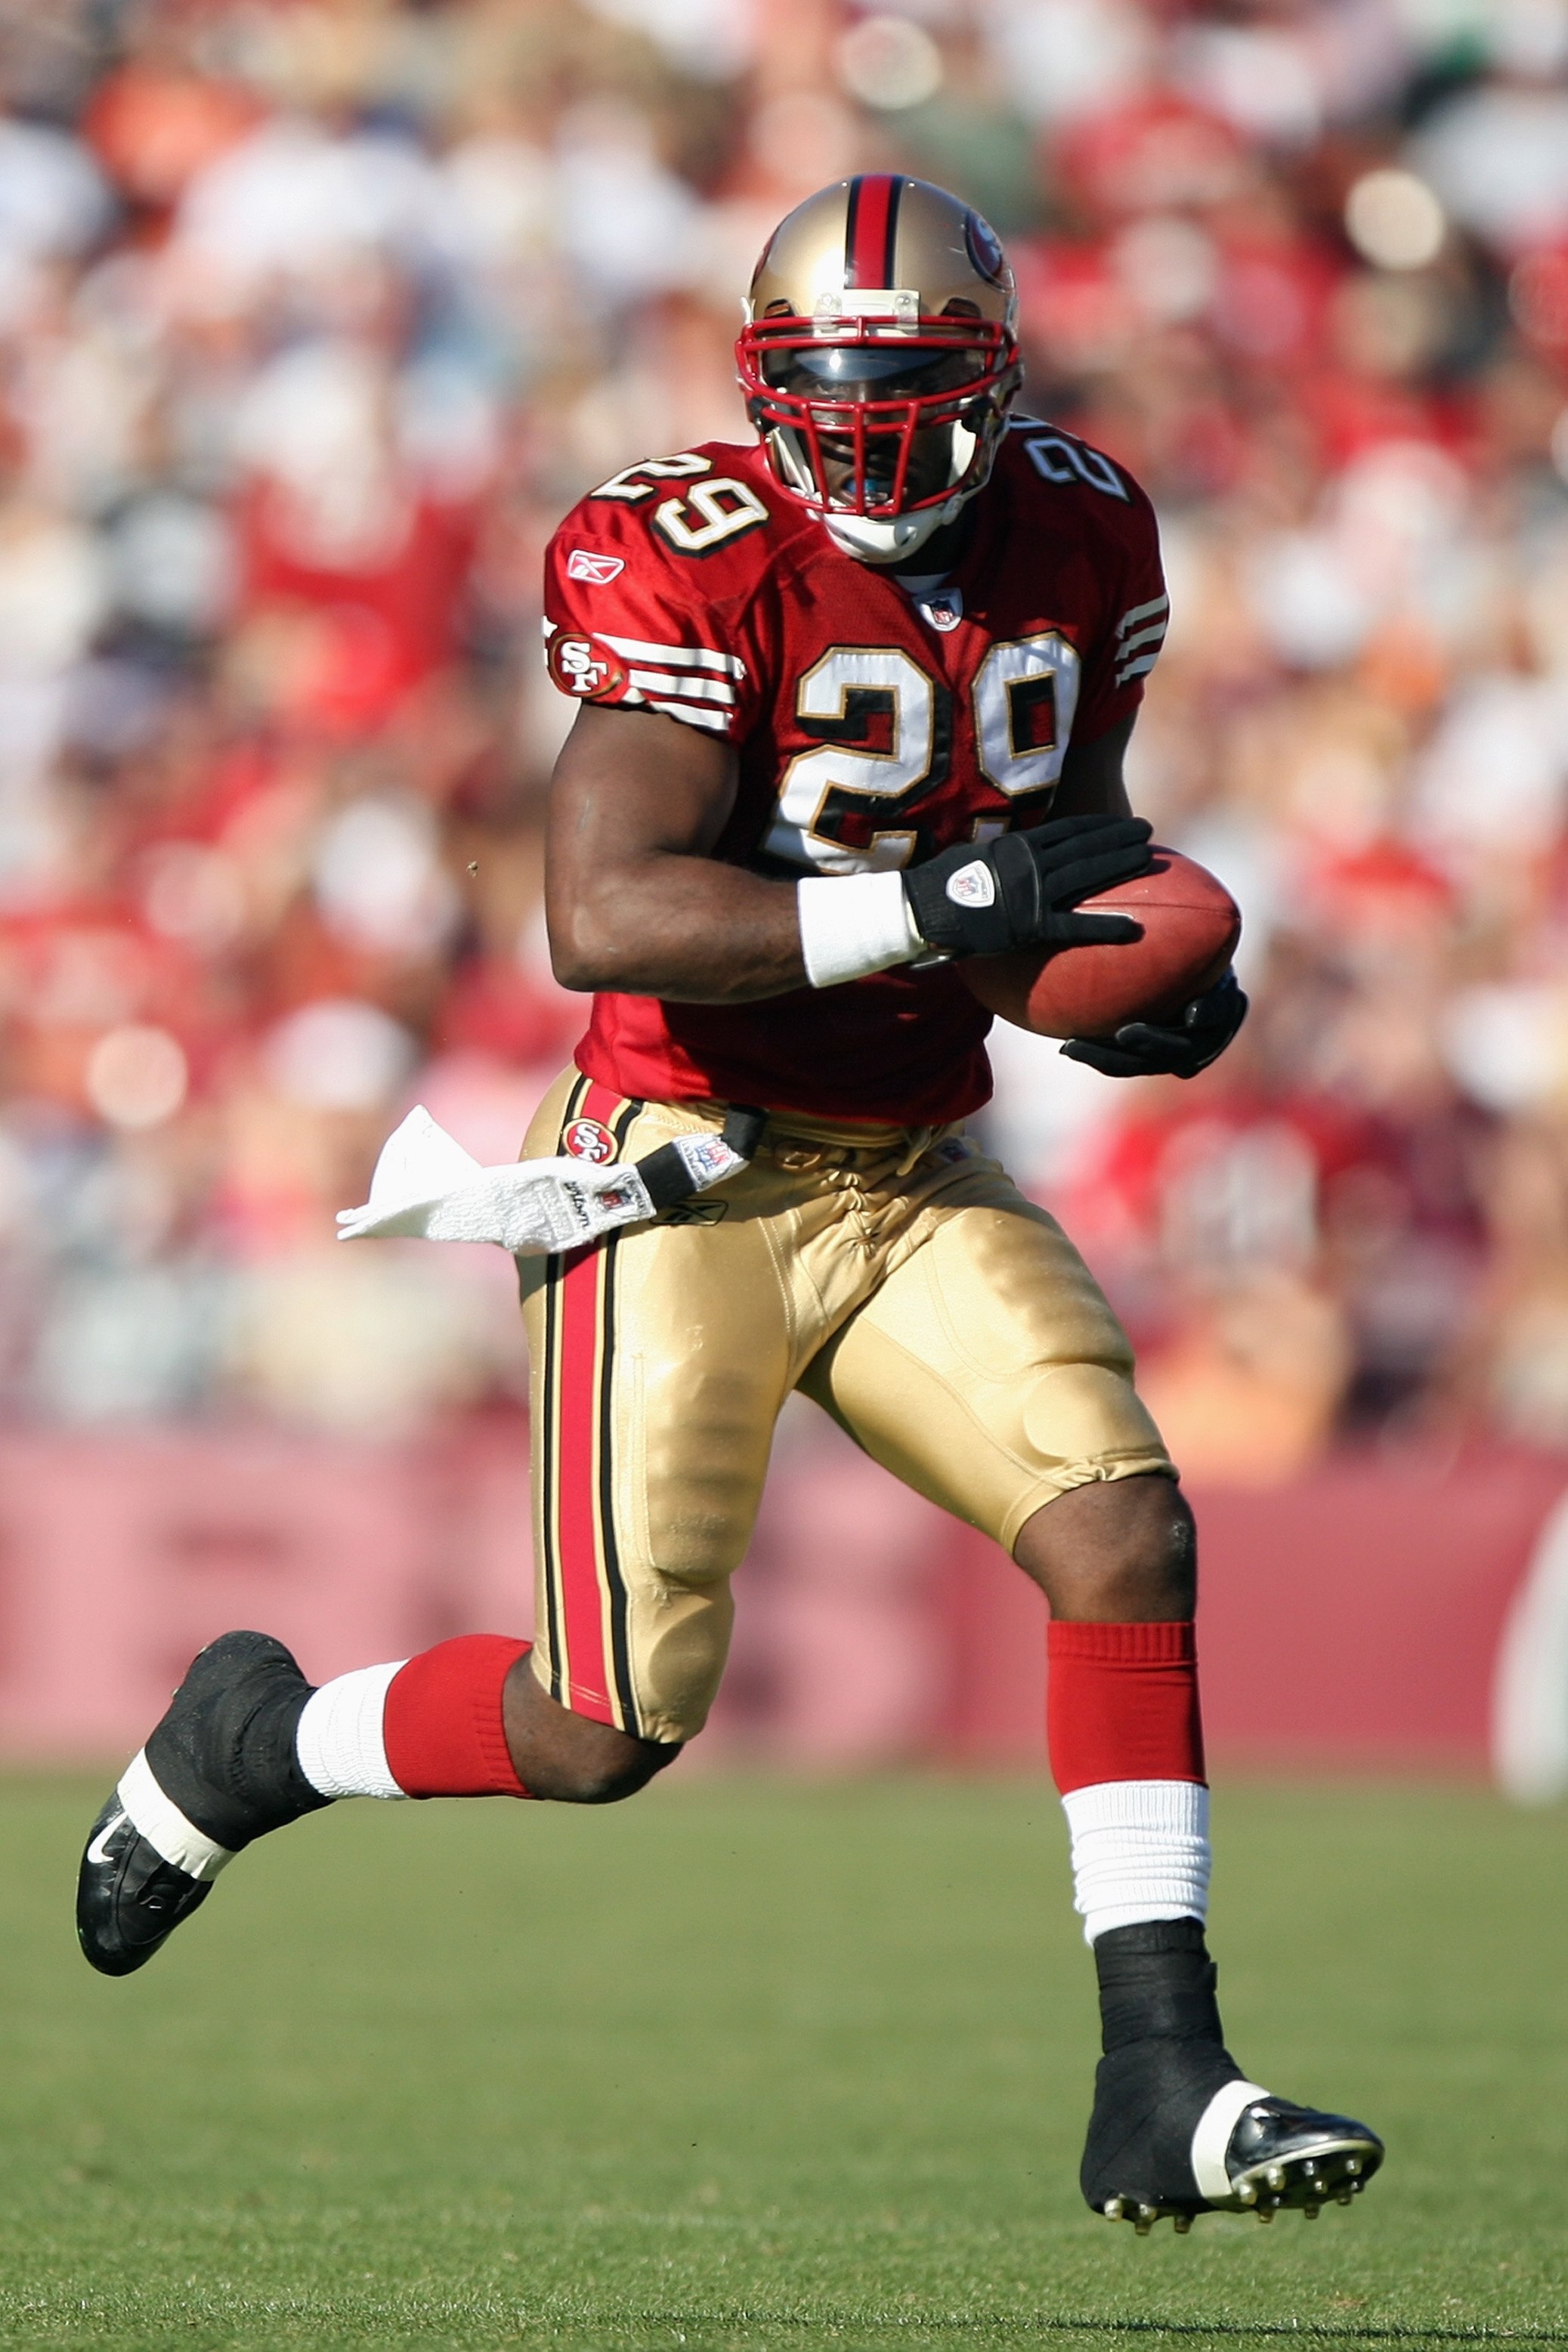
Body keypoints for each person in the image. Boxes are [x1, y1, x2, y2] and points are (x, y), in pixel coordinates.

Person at [76, 175, 1381, 2236]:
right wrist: (948, 903)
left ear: (999, 383)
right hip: (676, 1168)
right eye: (830, 398)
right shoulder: (682, 553)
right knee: (601, 1730)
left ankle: (1163, 2074)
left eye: (918, 398)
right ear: (762, 389)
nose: (873, 443)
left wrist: (1132, 980)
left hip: (912, 1162)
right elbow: (604, 909)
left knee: (1123, 1524)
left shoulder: (1086, 523)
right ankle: (254, 1745)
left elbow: (1068, 840)